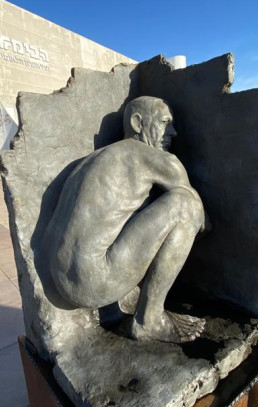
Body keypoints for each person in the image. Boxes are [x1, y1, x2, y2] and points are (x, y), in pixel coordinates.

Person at [42, 96, 207, 343]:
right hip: (94, 280)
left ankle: (127, 300)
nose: (173, 132)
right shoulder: (157, 158)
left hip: (61, 280)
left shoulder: (93, 159)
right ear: (137, 123)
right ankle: (149, 320)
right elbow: (202, 222)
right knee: (187, 205)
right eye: (165, 122)